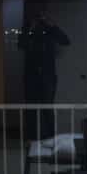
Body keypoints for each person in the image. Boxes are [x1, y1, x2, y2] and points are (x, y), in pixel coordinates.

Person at [19, 9, 71, 140]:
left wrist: (51, 25)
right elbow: (21, 44)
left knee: (47, 107)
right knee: (30, 108)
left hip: (48, 75)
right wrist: (30, 27)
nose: (39, 20)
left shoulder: (49, 31)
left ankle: (50, 137)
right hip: (31, 75)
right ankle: (31, 138)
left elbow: (65, 41)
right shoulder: (28, 30)